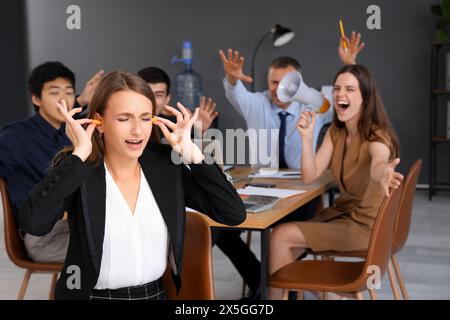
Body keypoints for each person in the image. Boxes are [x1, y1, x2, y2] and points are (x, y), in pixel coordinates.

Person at [16, 71, 246, 300]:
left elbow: (232, 214)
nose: (137, 130)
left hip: (155, 295)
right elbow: (34, 223)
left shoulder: (165, 166)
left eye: (145, 118)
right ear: (100, 122)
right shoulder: (81, 169)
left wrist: (195, 156)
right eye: (124, 118)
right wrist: (79, 155)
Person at [215, 32, 365, 299]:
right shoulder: (256, 103)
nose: (277, 89)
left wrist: (349, 62)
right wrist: (231, 77)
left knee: (292, 231)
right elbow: (234, 91)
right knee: (223, 232)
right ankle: (265, 284)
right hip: (260, 184)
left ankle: (280, 288)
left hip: (301, 190)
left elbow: (349, 99)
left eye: (284, 82)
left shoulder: (316, 103)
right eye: (273, 82)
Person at [269, 64, 404, 299]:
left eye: (350, 90)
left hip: (366, 228)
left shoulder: (377, 136)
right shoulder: (336, 131)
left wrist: (383, 173)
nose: (341, 94)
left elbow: (379, 162)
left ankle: (318, 294)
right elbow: (310, 175)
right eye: (337, 88)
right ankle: (322, 293)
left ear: (365, 97)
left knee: (281, 236)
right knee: (282, 242)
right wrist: (307, 138)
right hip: (343, 216)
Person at [0, 61, 102, 262]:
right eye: (54, 93)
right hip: (43, 235)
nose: (63, 100)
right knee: (120, 251)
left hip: (74, 224)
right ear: (37, 99)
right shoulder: (16, 136)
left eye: (69, 92)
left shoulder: (74, 131)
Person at [137, 66, 218, 135]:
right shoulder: (126, 123)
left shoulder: (177, 125)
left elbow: (206, 153)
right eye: (147, 94)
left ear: (167, 99)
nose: (152, 101)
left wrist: (202, 132)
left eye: (158, 95)